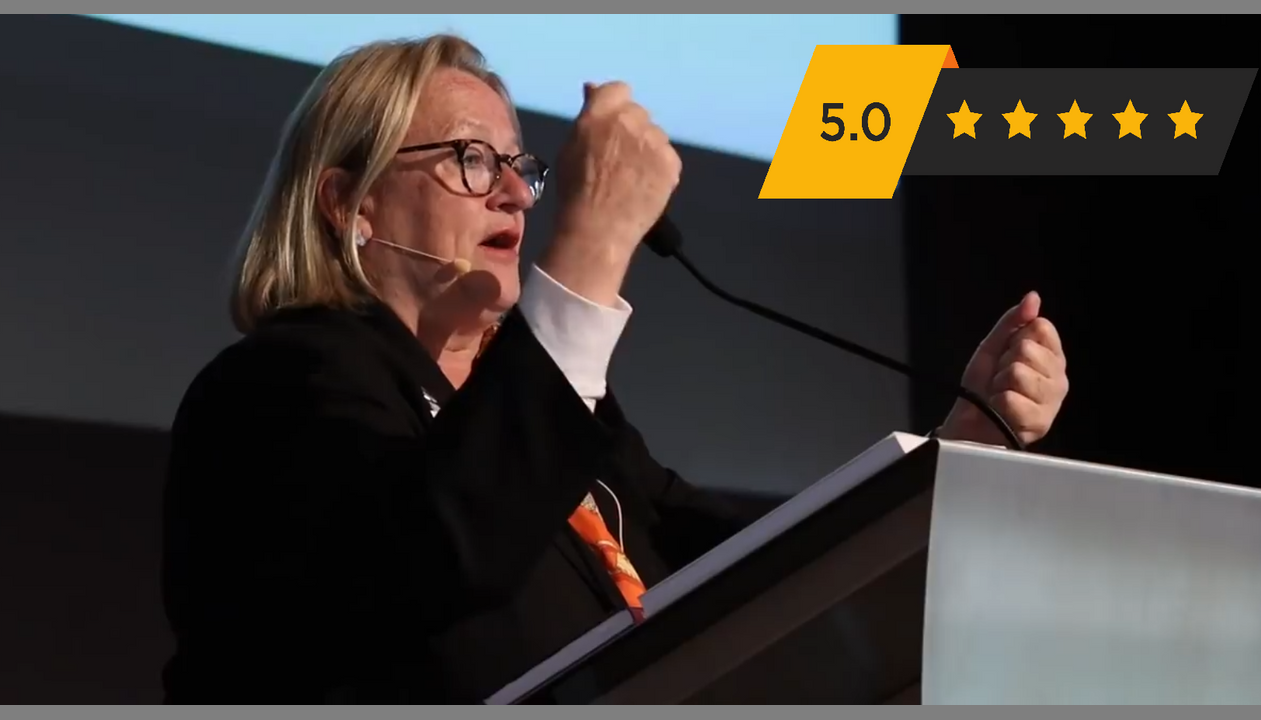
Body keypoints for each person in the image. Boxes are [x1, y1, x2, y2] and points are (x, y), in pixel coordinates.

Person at [160, 34, 1069, 704]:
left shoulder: (576, 430)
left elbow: (747, 569)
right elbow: (429, 557)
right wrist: (590, 248)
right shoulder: (270, 394)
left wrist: (959, 452)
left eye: (519, 165)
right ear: (346, 202)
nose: (514, 192)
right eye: (470, 159)